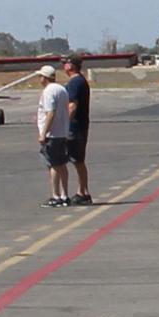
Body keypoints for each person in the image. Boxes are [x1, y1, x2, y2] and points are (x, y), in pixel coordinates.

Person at [35, 64, 72, 207]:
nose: (39, 79)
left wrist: (43, 133)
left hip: (53, 134)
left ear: (44, 78)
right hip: (62, 132)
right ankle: (65, 195)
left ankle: (55, 196)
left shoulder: (49, 92)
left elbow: (51, 112)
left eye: (40, 76)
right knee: (62, 164)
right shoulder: (61, 89)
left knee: (53, 165)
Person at [63, 55, 93, 205]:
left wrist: (64, 123)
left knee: (77, 160)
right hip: (80, 125)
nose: (63, 66)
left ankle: (83, 191)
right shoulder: (79, 80)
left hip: (75, 126)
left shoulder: (75, 82)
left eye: (65, 63)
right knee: (78, 160)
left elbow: (72, 105)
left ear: (71, 66)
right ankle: (82, 191)